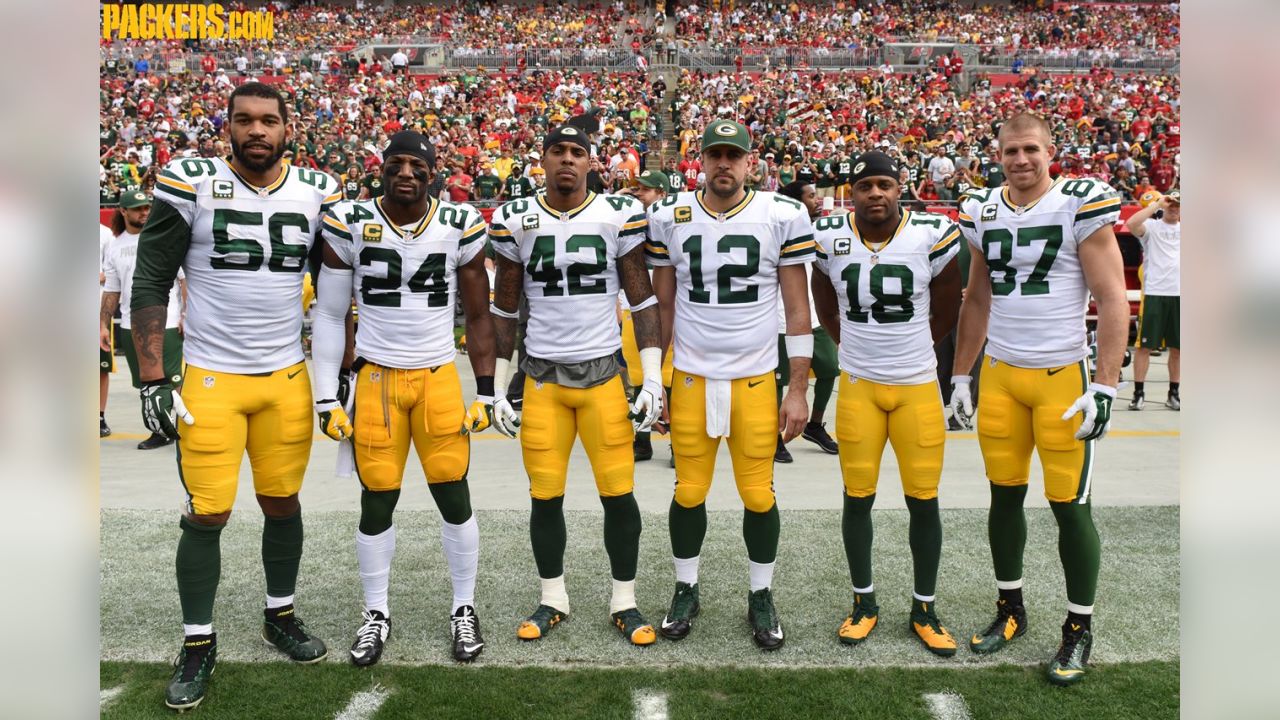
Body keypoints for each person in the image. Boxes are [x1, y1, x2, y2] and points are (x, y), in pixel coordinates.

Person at [131, 82, 342, 711]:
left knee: (283, 502)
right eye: (244, 120)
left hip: (286, 379)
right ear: (226, 126)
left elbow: (336, 291)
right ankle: (198, 642)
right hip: (211, 378)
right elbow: (151, 278)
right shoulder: (190, 181)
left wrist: (340, 376)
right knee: (208, 513)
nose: (257, 130)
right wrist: (151, 379)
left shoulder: (316, 191)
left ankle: (280, 615)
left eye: (268, 121)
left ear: (288, 129)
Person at [949, 113, 1128, 686]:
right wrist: (959, 377)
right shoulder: (981, 208)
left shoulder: (1079, 201)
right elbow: (975, 299)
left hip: (1062, 378)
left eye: (1030, 149)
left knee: (1069, 506)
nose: (1020, 159)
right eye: (1010, 151)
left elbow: (1112, 296)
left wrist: (1104, 384)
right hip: (1000, 376)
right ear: (996, 154)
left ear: (1051, 151)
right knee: (1003, 498)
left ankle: (1078, 628)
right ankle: (1011, 609)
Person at [312, 132, 497, 665]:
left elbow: (479, 315)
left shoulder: (459, 223)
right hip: (376, 380)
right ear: (382, 168)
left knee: (453, 496)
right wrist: (327, 397)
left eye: (419, 164)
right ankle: (376, 612)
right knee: (377, 499)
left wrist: (484, 391)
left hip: (438, 375)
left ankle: (464, 606)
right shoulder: (349, 221)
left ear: (435, 172)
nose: (407, 173)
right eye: (397, 163)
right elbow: (329, 313)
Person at [489, 125, 664, 647]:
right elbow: (504, 307)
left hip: (604, 375)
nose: (567, 160)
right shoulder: (517, 218)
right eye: (558, 152)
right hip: (542, 379)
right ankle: (553, 597)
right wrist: (496, 387)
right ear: (542, 160)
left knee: (619, 495)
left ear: (592, 163)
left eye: (577, 153)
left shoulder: (617, 213)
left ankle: (624, 601)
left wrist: (652, 377)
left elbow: (643, 299)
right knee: (545, 497)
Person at [647, 120, 815, 650]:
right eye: (715, 154)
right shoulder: (669, 215)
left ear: (750, 161)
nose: (724, 163)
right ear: (701, 159)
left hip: (754, 379)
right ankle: (686, 587)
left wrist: (797, 387)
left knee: (758, 495)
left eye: (733, 155)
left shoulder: (781, 214)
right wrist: (656, 378)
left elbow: (797, 307)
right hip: (693, 377)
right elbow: (664, 304)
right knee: (688, 490)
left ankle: (760, 595)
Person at [809, 152, 963, 655]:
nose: (875, 193)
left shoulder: (929, 234)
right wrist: (851, 344)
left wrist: (914, 350)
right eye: (865, 186)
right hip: (859, 387)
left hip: (917, 385)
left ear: (901, 188)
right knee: (858, 497)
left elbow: (946, 307)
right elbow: (826, 302)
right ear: (851, 192)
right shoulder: (829, 236)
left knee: (924, 499)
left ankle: (925, 605)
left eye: (884, 184)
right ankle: (864, 602)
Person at [100, 190, 185, 450]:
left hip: (166, 319)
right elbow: (112, 289)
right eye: (137, 209)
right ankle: (158, 429)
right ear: (123, 211)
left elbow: (183, 279)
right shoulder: (115, 245)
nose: (144, 212)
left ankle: (177, 428)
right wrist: (103, 324)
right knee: (146, 384)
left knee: (172, 380)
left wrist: (185, 314)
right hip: (129, 322)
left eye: (147, 207)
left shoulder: (161, 238)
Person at [774, 180, 840, 461]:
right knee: (779, 381)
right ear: (795, 202)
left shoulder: (821, 230)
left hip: (813, 314)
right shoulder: (778, 228)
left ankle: (815, 424)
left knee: (830, 370)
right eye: (811, 196)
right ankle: (773, 435)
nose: (817, 200)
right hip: (780, 314)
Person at [619, 170, 674, 463]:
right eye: (638, 189)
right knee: (639, 377)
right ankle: (642, 440)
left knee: (672, 380)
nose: (640, 194)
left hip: (667, 307)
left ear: (662, 194)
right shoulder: (630, 222)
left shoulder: (672, 224)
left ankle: (678, 441)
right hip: (633, 309)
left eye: (647, 190)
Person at [1125, 190, 1180, 410]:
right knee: (1144, 347)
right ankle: (1139, 393)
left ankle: (1174, 393)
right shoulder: (1152, 227)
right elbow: (1131, 223)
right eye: (1172, 204)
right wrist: (1157, 204)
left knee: (1179, 349)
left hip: (1182, 293)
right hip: (1156, 292)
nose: (1174, 208)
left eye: (1178, 205)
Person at [101, 222, 117, 437]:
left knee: (100, 368)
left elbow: (111, 272)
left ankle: (99, 416)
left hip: (96, 309)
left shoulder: (105, 234)